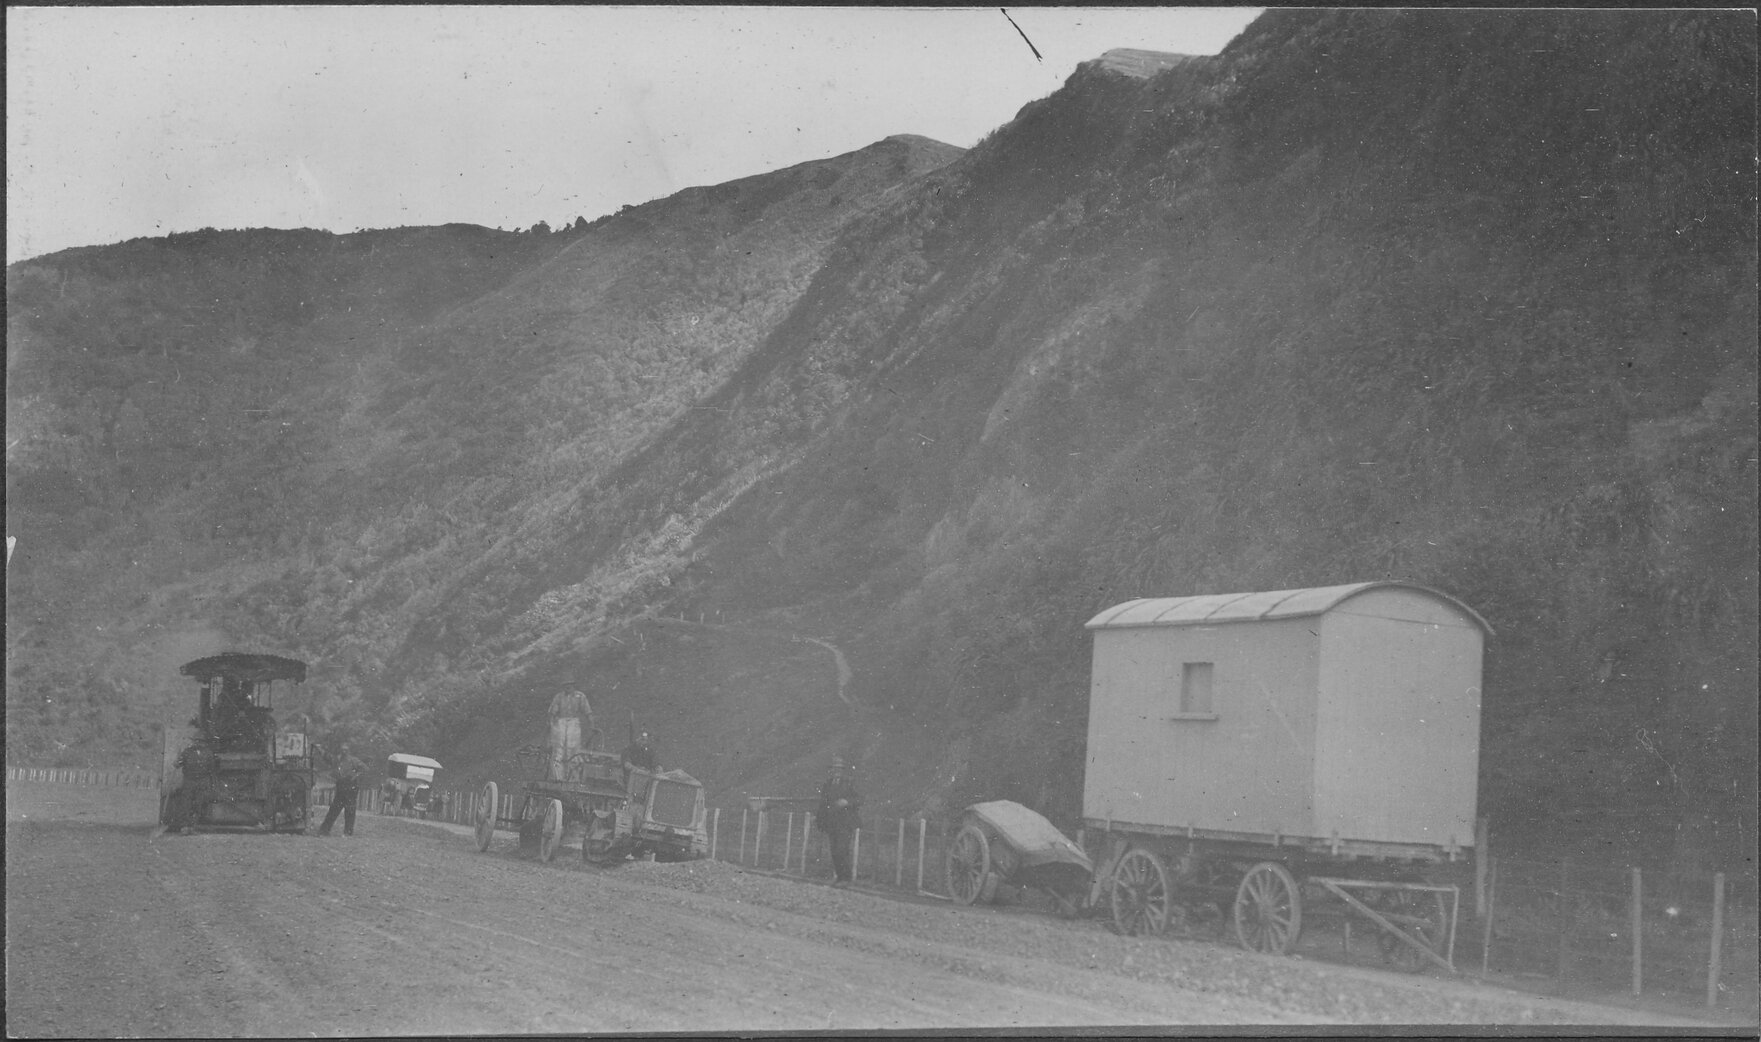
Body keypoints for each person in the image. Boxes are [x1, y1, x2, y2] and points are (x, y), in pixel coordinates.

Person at [817, 757, 862, 887]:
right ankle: (839, 877)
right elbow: (823, 803)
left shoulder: (850, 783)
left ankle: (846, 879)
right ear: (831, 770)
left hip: (845, 823)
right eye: (834, 768)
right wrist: (820, 819)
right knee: (834, 851)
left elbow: (860, 798)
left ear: (843, 770)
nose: (837, 771)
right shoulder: (828, 784)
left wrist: (847, 802)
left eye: (839, 769)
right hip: (832, 823)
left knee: (842, 850)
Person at [318, 743, 366, 837]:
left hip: (351, 788)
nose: (343, 752)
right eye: (342, 750)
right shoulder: (338, 760)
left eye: (345, 750)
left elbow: (364, 768)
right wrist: (321, 751)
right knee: (334, 810)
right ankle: (324, 831)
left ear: (349, 751)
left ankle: (348, 833)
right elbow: (329, 758)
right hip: (341, 788)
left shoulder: (354, 760)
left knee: (350, 811)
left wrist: (354, 776)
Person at [547, 688, 594, 781]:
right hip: (560, 722)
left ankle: (573, 778)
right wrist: (551, 724)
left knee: (573, 750)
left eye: (570, 684)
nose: (568, 687)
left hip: (573, 722)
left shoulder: (580, 696)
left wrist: (591, 723)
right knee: (558, 750)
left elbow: (588, 711)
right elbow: (552, 712)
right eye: (566, 685)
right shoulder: (559, 696)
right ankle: (558, 777)